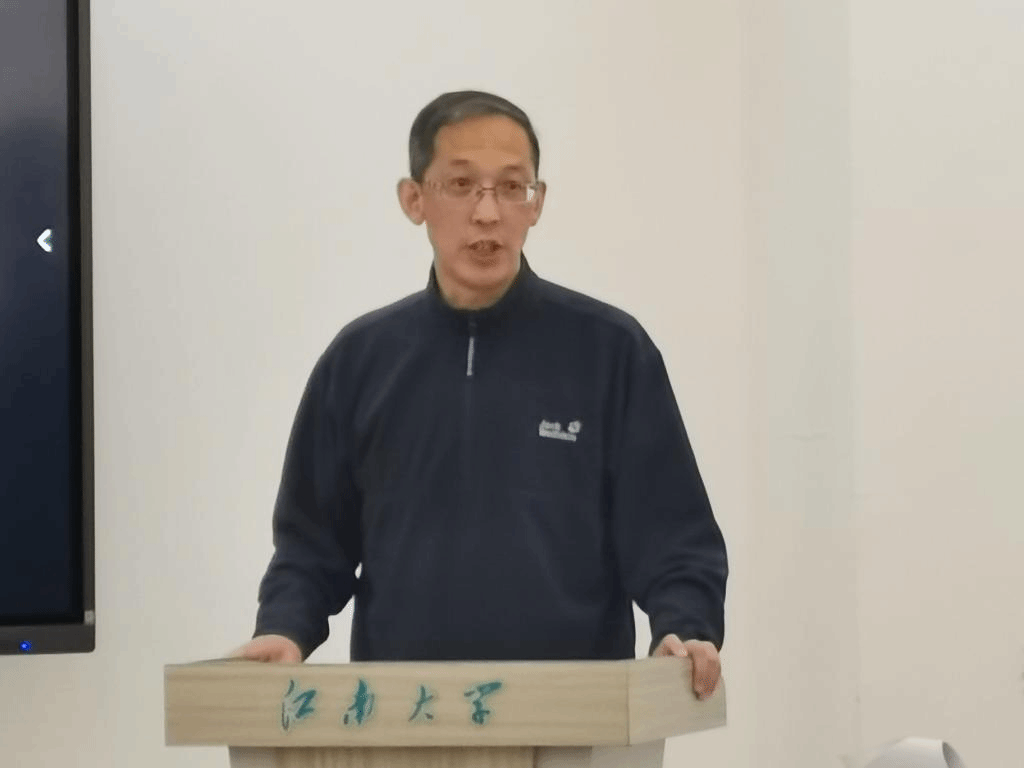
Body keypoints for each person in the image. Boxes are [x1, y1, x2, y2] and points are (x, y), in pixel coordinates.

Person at [232, 90, 728, 701]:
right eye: (461, 185)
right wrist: (284, 629)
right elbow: (311, 547)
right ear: (413, 199)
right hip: (403, 716)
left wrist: (684, 628)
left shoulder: (610, 351)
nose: (488, 213)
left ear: (537, 203)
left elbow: (673, 535)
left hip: (578, 714)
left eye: (512, 187)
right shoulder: (360, 360)